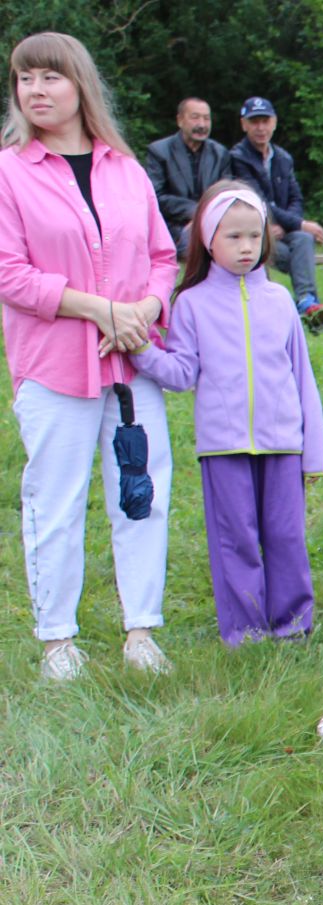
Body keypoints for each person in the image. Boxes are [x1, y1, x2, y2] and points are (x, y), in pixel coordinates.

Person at [0, 31, 177, 680]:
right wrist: (100, 309)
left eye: (50, 77)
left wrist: (146, 313)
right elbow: (9, 273)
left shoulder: (124, 168)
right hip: (54, 367)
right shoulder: (9, 172)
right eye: (24, 79)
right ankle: (58, 641)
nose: (36, 90)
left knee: (143, 494)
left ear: (80, 85)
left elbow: (162, 258)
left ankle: (141, 632)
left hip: (133, 364)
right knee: (56, 499)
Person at [132, 182, 323, 645]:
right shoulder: (191, 302)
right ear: (206, 239)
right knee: (235, 541)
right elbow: (180, 372)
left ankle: (293, 625)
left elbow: (303, 380)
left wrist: (312, 453)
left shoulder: (280, 300)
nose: (245, 248)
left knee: (285, 537)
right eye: (233, 237)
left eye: (253, 237)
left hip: (282, 444)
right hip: (223, 448)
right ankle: (246, 631)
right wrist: (140, 348)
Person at [227, 96, 323, 331]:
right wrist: (297, 223)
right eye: (254, 122)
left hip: (282, 230)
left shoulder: (282, 157)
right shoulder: (237, 158)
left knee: (303, 239)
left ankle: (307, 302)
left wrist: (289, 225)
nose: (261, 128)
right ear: (244, 125)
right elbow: (256, 200)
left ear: (274, 123)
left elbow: (296, 198)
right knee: (297, 240)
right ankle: (291, 310)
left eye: (265, 121)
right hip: (255, 232)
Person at [143, 96, 228, 254]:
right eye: (195, 118)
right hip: (174, 223)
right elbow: (156, 196)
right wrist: (195, 212)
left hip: (213, 221)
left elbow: (227, 194)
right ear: (180, 120)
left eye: (206, 119)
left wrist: (204, 217)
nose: (202, 124)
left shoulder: (220, 153)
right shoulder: (159, 151)